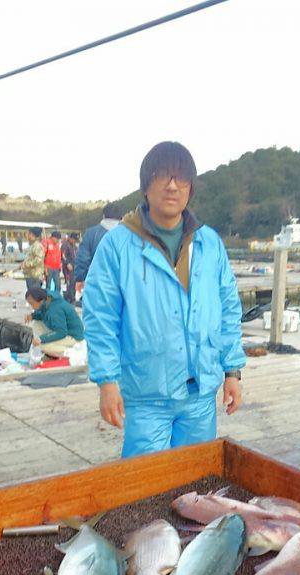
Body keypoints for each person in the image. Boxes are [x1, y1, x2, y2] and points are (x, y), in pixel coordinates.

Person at [83, 140, 245, 458]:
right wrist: (107, 381)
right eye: (163, 176)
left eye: (181, 177)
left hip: (200, 393)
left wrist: (232, 371)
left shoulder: (210, 243)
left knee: (195, 485)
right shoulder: (117, 245)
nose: (172, 186)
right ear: (146, 186)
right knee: (146, 489)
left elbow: (228, 309)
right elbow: (100, 316)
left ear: (191, 188)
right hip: (146, 395)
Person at [25, 287, 85, 358]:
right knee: (36, 323)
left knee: (43, 346)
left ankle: (72, 352)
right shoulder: (47, 299)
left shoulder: (54, 310)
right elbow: (42, 313)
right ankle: (53, 348)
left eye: (32, 304)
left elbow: (61, 332)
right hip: (64, 330)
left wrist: (41, 339)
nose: (31, 307)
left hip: (74, 337)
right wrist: (33, 316)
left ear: (40, 301)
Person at [74, 202, 120, 292]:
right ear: (121, 216)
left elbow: (83, 258)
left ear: (103, 216)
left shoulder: (91, 233)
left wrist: (80, 278)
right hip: (121, 284)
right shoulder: (127, 234)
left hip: (96, 283)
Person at [61, 232, 79, 304]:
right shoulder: (65, 245)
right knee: (69, 283)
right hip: (67, 268)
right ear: (70, 238)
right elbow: (63, 255)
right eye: (73, 239)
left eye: (75, 240)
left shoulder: (75, 246)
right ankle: (68, 298)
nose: (74, 241)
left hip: (74, 266)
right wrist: (67, 263)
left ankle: (72, 297)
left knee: (73, 283)